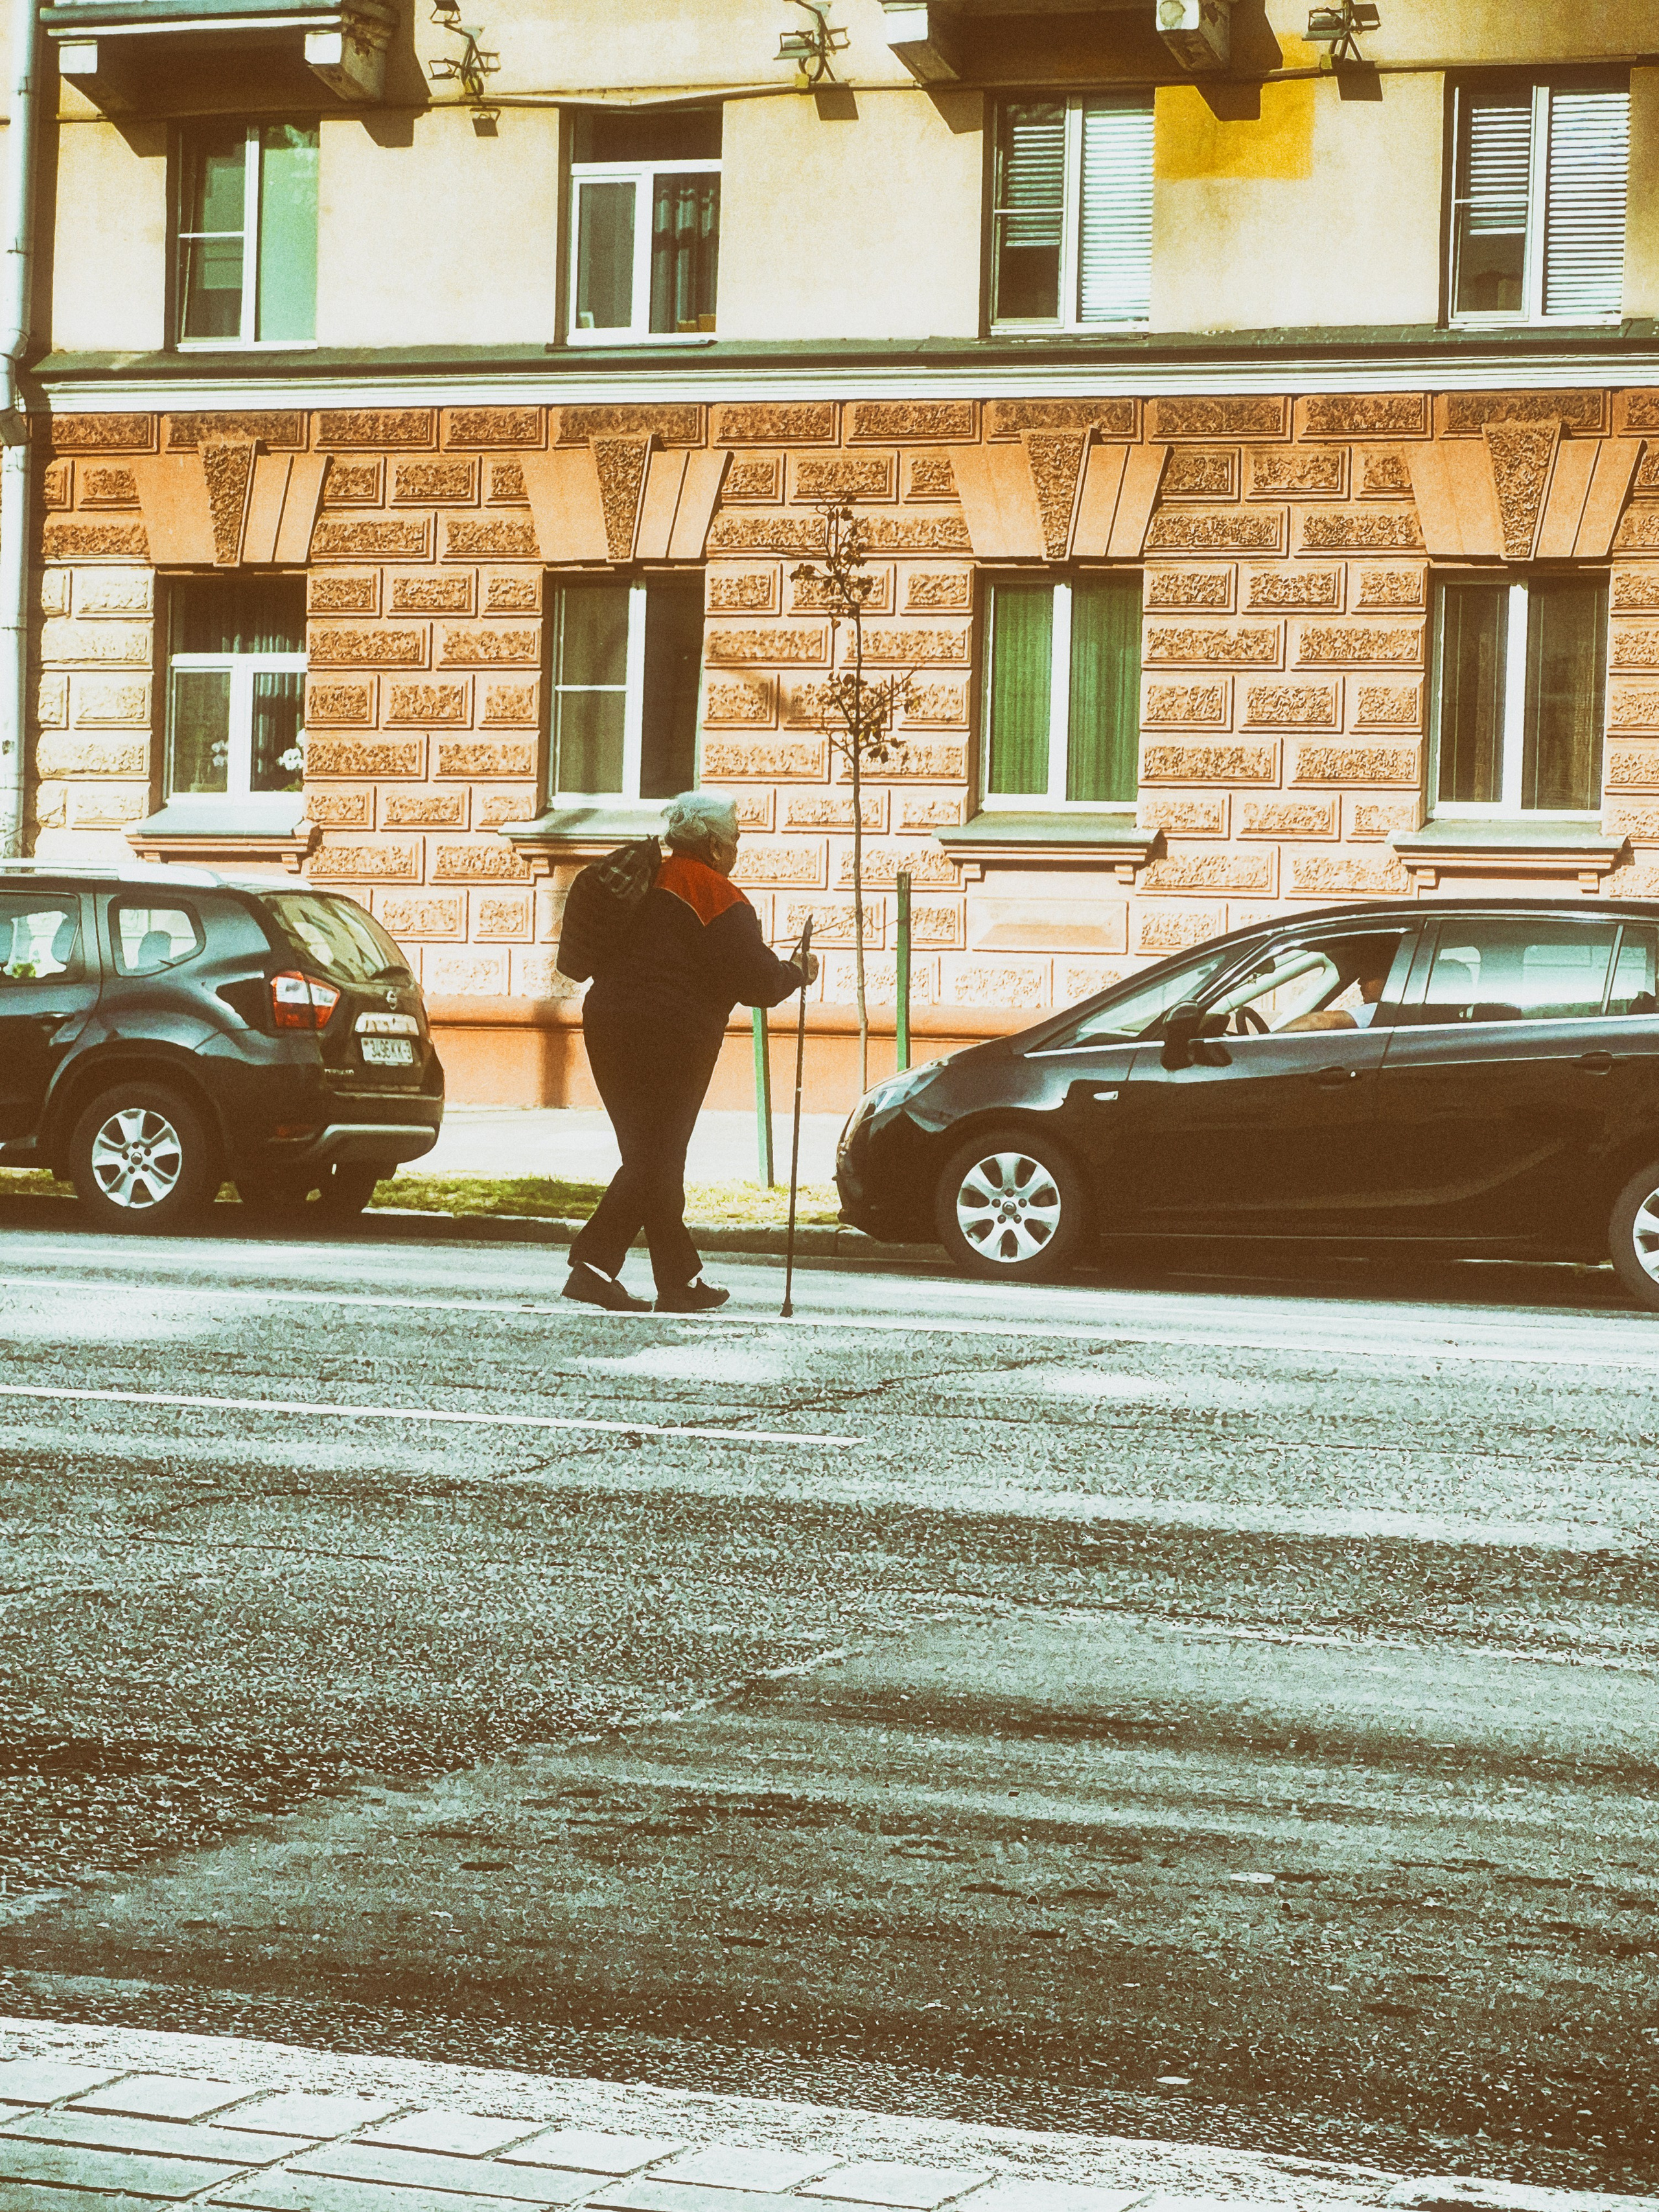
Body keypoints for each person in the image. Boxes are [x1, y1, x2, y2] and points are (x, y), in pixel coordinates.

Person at [564, 791, 818, 1315]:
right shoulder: (715, 893)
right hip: (670, 1037)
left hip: (608, 1025)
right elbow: (758, 981)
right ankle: (592, 1267)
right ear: (710, 844)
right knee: (656, 1157)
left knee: (651, 1158)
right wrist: (798, 971)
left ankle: (678, 1282)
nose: (736, 850)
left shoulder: (644, 877)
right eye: (733, 841)